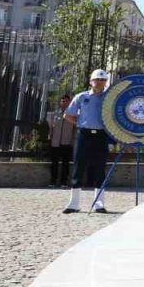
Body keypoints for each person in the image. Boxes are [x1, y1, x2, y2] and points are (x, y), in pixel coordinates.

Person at [62, 70, 111, 213]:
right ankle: (74, 204)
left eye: (102, 80)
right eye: (97, 79)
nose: (99, 82)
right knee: (78, 166)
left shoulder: (109, 98)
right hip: (83, 135)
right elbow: (67, 115)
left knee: (99, 168)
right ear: (91, 81)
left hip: (101, 135)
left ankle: (99, 204)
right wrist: (80, 123)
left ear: (106, 82)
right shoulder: (81, 96)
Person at [46, 94, 75, 188]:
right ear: (60, 102)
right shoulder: (55, 114)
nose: (64, 103)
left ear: (70, 102)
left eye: (67, 101)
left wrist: (73, 141)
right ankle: (53, 181)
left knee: (65, 164)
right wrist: (49, 138)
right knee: (54, 163)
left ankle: (64, 182)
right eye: (63, 101)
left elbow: (75, 129)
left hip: (67, 142)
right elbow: (51, 128)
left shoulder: (73, 115)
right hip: (55, 142)